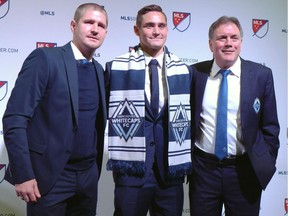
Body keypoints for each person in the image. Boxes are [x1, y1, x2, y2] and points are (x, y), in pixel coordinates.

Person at [2, 3, 108, 216]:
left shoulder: (98, 69)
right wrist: (23, 174)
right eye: (89, 22)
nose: (95, 29)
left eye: (101, 25)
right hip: (51, 178)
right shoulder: (45, 59)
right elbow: (15, 118)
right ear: (73, 25)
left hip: (88, 177)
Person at [105, 4, 192, 216]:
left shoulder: (184, 70)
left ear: (167, 30)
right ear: (137, 30)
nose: (156, 31)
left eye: (161, 25)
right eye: (149, 25)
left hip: (170, 174)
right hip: (132, 173)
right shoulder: (115, 68)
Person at [189, 16, 280, 216]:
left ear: (241, 42)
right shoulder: (194, 73)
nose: (229, 43)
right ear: (211, 44)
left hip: (244, 171)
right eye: (222, 38)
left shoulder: (261, 75)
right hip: (204, 171)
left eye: (234, 37)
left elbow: (270, 126)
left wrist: (265, 161)